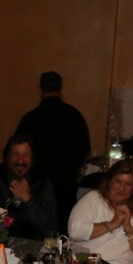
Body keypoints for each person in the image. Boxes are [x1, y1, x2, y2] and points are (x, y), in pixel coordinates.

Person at [15, 71, 91, 227]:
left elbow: (15, 152)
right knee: (64, 227)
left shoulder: (31, 118)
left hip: (37, 186)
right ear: (61, 89)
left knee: (38, 226)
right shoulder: (74, 116)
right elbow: (85, 149)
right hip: (66, 185)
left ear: (40, 89)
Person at [0, 133, 57, 239]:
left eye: (26, 155)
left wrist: (28, 200)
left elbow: (51, 228)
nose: (20, 161)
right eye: (16, 155)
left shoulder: (43, 183)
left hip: (34, 245)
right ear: (8, 157)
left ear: (32, 159)